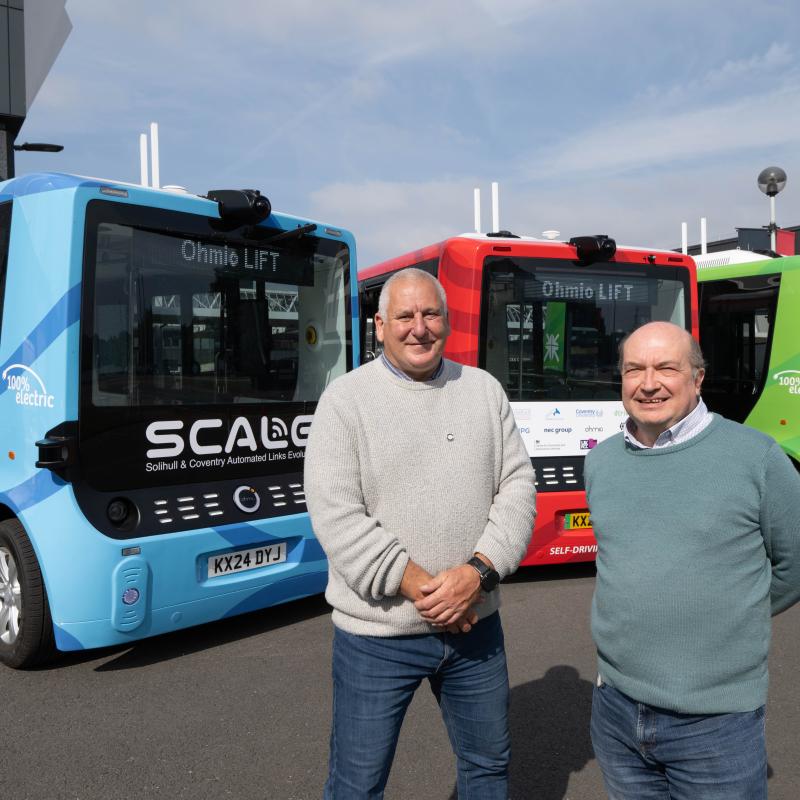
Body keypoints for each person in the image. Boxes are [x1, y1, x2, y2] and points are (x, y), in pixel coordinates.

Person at [304, 267, 536, 799]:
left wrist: (476, 575)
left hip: (475, 625)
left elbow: (518, 487)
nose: (419, 327)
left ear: (447, 321)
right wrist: (431, 591)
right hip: (377, 638)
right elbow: (337, 514)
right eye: (405, 316)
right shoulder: (345, 401)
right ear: (380, 325)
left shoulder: (483, 390)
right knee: (357, 783)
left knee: (487, 768)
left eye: (431, 314)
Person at [585, 320, 800, 800]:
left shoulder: (757, 458)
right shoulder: (601, 461)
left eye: (666, 368)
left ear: (698, 378)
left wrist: (733, 611)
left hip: (716, 723)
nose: (648, 383)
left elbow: (794, 564)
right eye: (634, 369)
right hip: (616, 710)